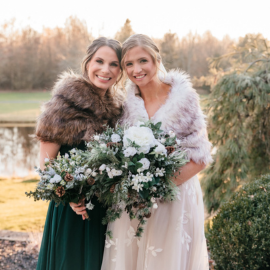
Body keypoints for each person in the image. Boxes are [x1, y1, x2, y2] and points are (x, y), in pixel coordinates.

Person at [101, 34, 212, 270]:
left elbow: (200, 157)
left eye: (143, 61)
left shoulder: (184, 99)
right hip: (131, 203)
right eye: (128, 64)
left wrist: (157, 188)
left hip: (174, 199)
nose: (136, 69)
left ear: (156, 60)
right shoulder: (125, 104)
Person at [35, 37, 123, 270]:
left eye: (114, 64)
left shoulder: (119, 109)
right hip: (72, 211)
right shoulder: (65, 103)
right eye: (100, 61)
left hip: (106, 212)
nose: (106, 70)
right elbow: (45, 163)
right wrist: (69, 195)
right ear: (87, 63)